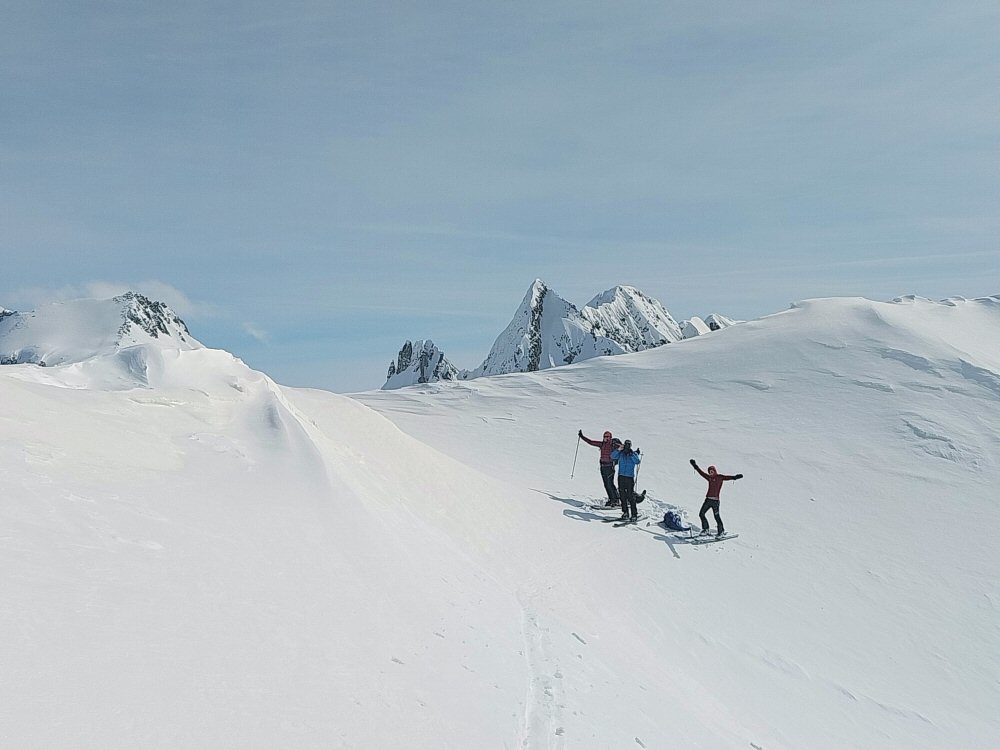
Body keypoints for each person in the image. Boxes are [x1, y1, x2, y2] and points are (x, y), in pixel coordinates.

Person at [689, 459, 743, 536]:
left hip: (715, 502)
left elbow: (728, 477)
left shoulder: (720, 477)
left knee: (716, 516)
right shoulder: (709, 478)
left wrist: (735, 477)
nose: (710, 473)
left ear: (715, 471)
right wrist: (695, 465)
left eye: (712, 471)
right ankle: (706, 529)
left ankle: (721, 531)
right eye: (709, 472)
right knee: (701, 514)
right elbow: (701, 473)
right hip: (708, 500)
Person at [578, 429, 620, 506]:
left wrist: (633, 452)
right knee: (606, 484)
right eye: (604, 436)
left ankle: (615, 500)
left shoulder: (613, 445)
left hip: (610, 467)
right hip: (603, 467)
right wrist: (582, 436)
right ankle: (611, 499)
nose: (605, 438)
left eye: (607, 436)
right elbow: (591, 442)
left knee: (610, 483)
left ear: (610, 437)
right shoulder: (602, 444)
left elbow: (623, 448)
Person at [611, 439, 642, 521]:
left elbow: (637, 461)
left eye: (628, 445)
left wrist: (632, 454)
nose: (627, 446)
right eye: (626, 445)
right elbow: (612, 456)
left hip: (629, 477)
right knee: (622, 496)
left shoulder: (633, 453)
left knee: (630, 496)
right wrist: (619, 449)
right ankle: (625, 512)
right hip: (621, 476)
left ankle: (634, 514)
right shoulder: (621, 453)